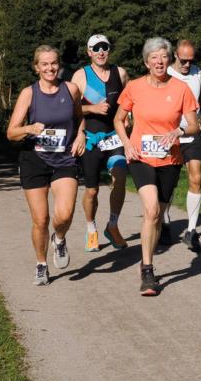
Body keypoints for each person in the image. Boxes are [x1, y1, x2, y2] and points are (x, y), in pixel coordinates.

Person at [114, 37, 199, 296]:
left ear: (169, 59)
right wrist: (127, 143)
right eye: (154, 57)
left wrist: (178, 131)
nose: (159, 61)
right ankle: (148, 270)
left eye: (164, 56)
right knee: (150, 210)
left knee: (158, 216)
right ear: (146, 62)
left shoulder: (181, 88)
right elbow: (119, 119)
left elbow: (193, 125)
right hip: (140, 156)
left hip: (170, 159)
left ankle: (146, 257)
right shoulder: (135, 88)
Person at [7, 45, 84, 286]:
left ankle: (59, 238)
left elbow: (80, 119)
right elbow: (11, 132)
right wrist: (29, 128)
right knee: (40, 219)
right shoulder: (28, 94)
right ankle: (41, 264)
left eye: (53, 63)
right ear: (36, 67)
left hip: (65, 158)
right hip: (35, 159)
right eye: (45, 64)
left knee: (65, 214)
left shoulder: (71, 89)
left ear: (58, 65)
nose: (50, 68)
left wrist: (81, 135)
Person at [71, 34, 129, 252]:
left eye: (105, 47)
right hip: (91, 139)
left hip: (114, 135)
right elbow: (71, 108)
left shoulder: (120, 73)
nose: (101, 52)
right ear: (89, 52)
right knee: (92, 191)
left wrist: (128, 119)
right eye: (96, 48)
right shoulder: (80, 76)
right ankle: (91, 228)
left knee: (120, 177)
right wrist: (91, 109)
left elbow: (129, 101)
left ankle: (112, 226)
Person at [164, 39, 201, 252]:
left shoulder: (197, 72)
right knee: (168, 183)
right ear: (175, 55)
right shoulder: (164, 73)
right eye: (183, 60)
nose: (186, 65)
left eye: (190, 60)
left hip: (192, 133)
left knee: (196, 177)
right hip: (169, 136)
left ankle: (192, 231)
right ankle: (164, 221)